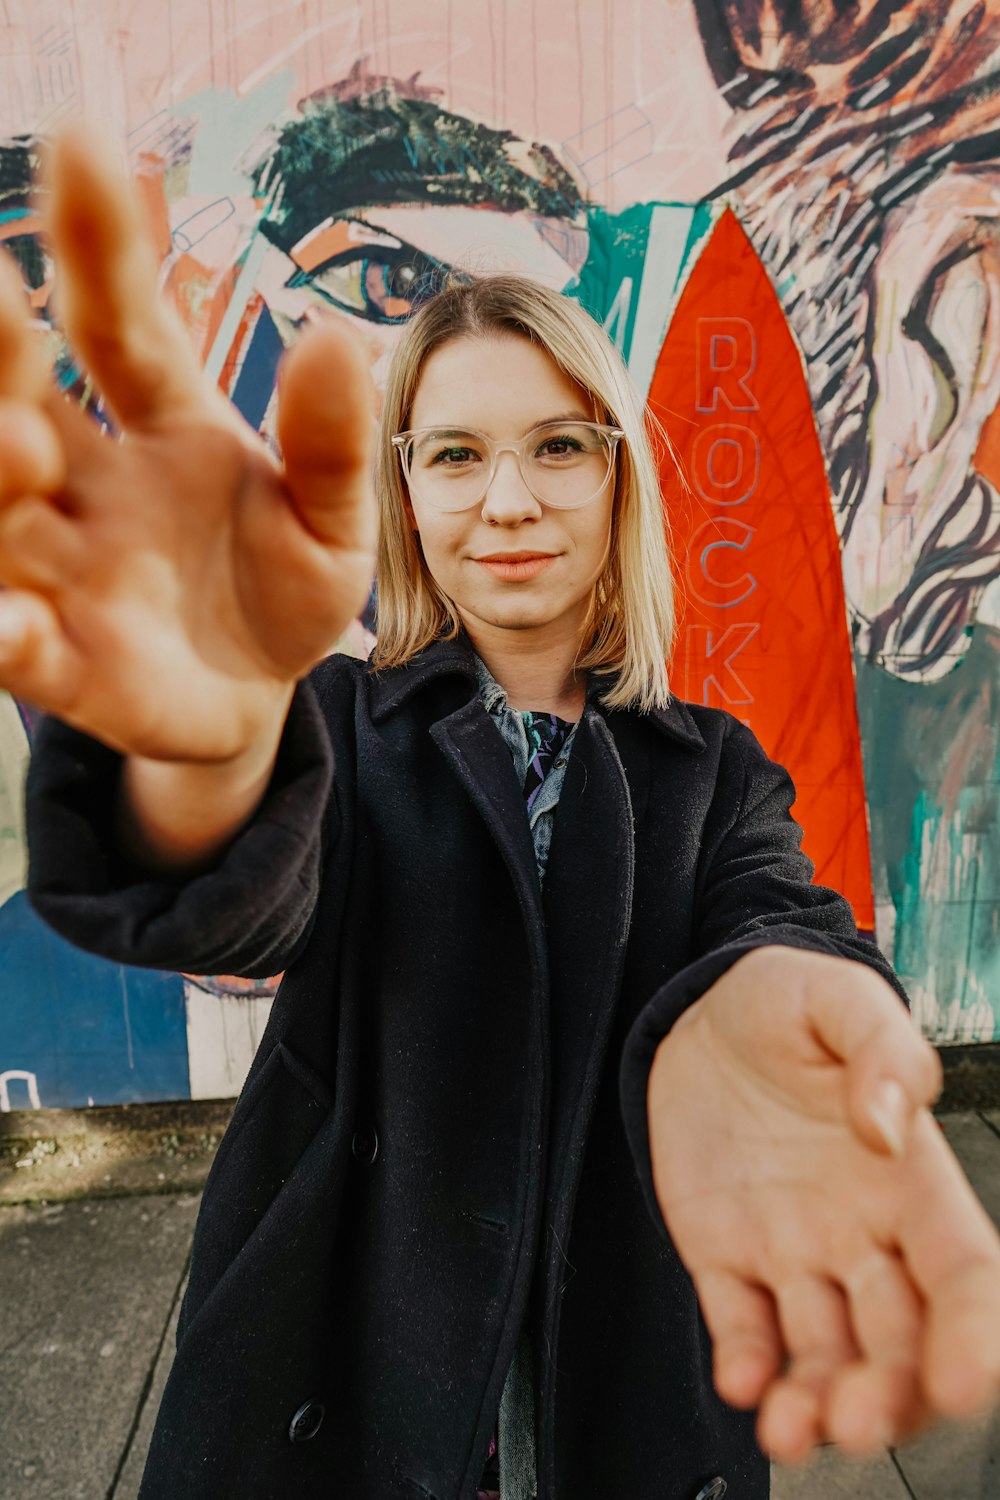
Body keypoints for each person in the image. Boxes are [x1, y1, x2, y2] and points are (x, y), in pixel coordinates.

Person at [2, 131, 1000, 1500]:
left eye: (557, 449)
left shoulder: (710, 770)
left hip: (626, 1405)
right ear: (407, 493)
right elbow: (249, 888)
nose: (510, 501)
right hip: (344, 1393)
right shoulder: (341, 732)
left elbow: (785, 917)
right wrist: (202, 755)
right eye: (458, 454)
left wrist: (781, 1004)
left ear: (616, 480)